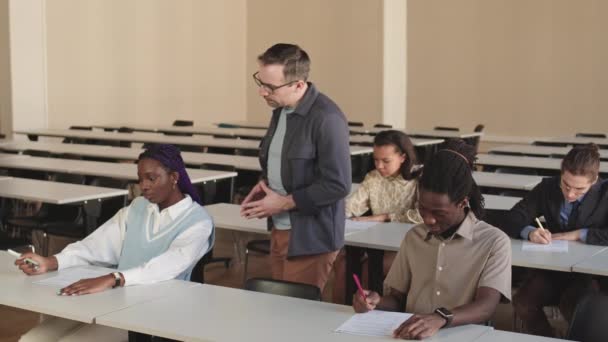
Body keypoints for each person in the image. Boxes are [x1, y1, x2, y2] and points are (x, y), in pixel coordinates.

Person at [16, 144, 214, 342]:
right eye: (140, 179)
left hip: (155, 313)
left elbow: (169, 265)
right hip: (114, 301)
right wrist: (51, 262)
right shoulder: (138, 208)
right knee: (31, 339)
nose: (143, 186)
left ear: (174, 178)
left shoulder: (198, 222)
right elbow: (97, 245)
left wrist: (113, 278)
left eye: (151, 178)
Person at [352, 140, 511, 340]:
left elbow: (486, 307)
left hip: (463, 336)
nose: (428, 219)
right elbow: (398, 299)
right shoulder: (414, 237)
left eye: (439, 213)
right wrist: (376, 301)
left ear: (462, 202)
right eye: (423, 209)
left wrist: (440, 318)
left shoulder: (494, 242)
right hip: (411, 334)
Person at [240, 43, 351, 291]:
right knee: (279, 309)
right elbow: (282, 160)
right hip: (281, 228)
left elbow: (338, 185)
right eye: (260, 82)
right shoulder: (281, 110)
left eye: (270, 87)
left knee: (296, 315)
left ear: (299, 85)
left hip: (310, 236)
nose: (262, 92)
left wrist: (285, 202)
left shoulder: (327, 118)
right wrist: (265, 186)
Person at [499, 143, 608, 337]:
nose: (570, 194)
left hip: (588, 274)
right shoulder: (547, 187)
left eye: (579, 189)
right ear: (561, 172)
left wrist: (578, 234)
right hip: (554, 270)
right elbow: (513, 217)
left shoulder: (605, 194)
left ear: (595, 181)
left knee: (575, 308)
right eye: (566, 185)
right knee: (523, 302)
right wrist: (529, 231)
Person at [333, 130, 422, 303]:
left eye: (386, 161)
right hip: (374, 243)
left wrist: (382, 217)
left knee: (371, 267)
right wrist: (336, 213)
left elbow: (420, 216)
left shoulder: (418, 178)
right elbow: (353, 205)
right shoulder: (373, 177)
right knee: (342, 262)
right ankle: (338, 311)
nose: (379, 166)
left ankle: (369, 308)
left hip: (405, 245)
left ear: (403, 157)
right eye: (376, 160)